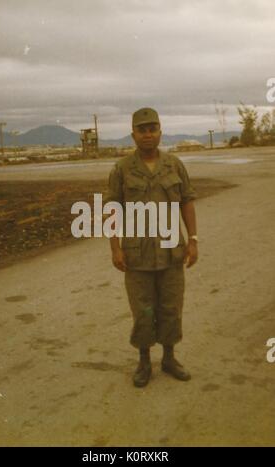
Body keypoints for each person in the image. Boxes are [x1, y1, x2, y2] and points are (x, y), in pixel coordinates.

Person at [105, 107, 198, 387]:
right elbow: (113, 208)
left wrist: (193, 240)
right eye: (142, 130)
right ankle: (144, 361)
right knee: (143, 310)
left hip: (172, 250)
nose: (148, 134)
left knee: (171, 307)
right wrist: (115, 248)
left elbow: (187, 202)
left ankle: (169, 358)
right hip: (137, 254)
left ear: (160, 131)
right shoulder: (121, 169)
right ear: (133, 134)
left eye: (152, 129)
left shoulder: (174, 165)